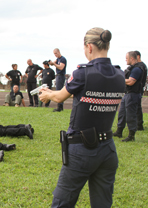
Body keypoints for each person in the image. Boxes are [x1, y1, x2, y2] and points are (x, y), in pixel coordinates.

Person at [39, 27, 125, 207]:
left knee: (62, 202)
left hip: (82, 148)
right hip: (108, 149)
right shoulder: (119, 75)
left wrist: (47, 94)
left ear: (90, 47)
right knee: (102, 203)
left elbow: (60, 96)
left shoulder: (82, 73)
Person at [113, 51, 143, 142]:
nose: (125, 60)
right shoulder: (132, 69)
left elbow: (131, 81)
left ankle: (131, 135)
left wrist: (119, 78)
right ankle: (119, 131)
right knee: (122, 114)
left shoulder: (137, 69)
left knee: (130, 115)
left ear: (132, 58)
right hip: (128, 94)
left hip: (133, 94)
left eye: (127, 58)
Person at [134, 51, 147, 131]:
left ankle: (139, 125)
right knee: (137, 107)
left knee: (137, 108)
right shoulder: (143, 66)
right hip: (140, 88)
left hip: (138, 89)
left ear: (138, 56)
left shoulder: (140, 66)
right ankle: (138, 124)